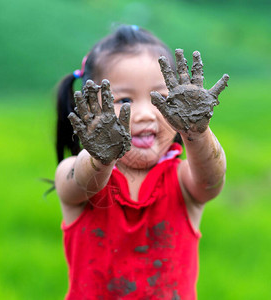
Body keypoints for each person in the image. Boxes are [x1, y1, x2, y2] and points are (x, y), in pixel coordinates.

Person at [54, 24, 229, 299]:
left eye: (159, 97)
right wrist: (101, 155)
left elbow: (212, 181)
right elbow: (80, 182)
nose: (145, 114)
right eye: (124, 99)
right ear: (91, 106)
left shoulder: (183, 181)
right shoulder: (77, 173)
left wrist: (197, 131)